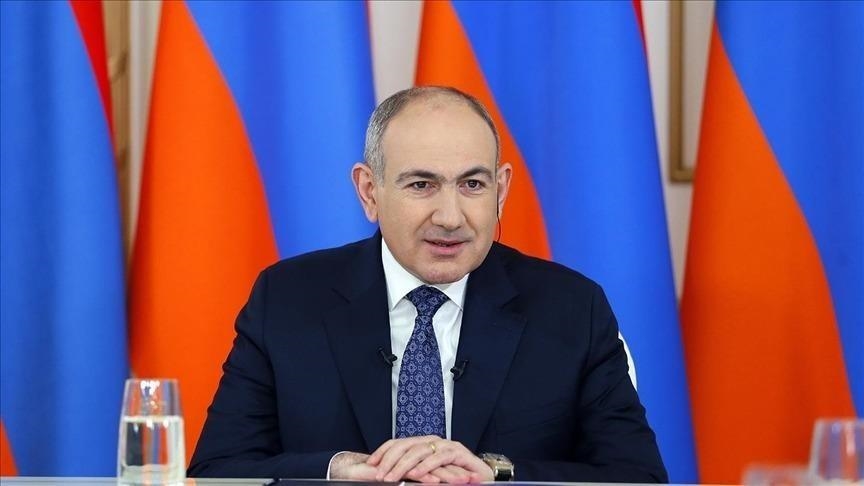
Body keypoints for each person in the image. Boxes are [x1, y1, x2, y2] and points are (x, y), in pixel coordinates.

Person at [188, 86, 667, 483]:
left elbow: (638, 477)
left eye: (472, 185)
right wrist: (337, 470)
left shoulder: (571, 308)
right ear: (369, 191)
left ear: (501, 190)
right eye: (422, 185)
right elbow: (217, 471)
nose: (451, 217)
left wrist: (496, 473)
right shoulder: (288, 299)